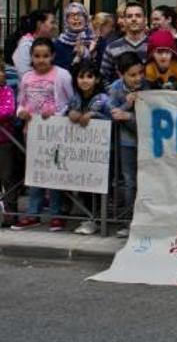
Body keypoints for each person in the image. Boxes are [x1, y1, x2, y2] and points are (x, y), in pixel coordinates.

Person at [11, 38, 74, 231]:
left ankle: (56, 213)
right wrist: (20, 111)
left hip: (54, 131)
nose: (41, 60)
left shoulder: (62, 75)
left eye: (45, 56)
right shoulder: (27, 77)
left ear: (53, 56)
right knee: (34, 173)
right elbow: (21, 100)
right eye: (37, 56)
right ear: (31, 57)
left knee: (54, 172)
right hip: (31, 131)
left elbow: (70, 101)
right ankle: (33, 213)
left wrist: (55, 114)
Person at [66, 61, 110, 235]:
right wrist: (70, 113)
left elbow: (111, 118)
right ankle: (88, 217)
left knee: (98, 187)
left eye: (89, 77)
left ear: (97, 79)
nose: (85, 80)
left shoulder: (103, 99)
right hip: (80, 150)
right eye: (81, 76)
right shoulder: (74, 98)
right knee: (84, 185)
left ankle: (98, 219)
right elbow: (67, 112)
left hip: (102, 151)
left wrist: (94, 115)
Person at [106, 52, 147, 237]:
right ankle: (129, 221)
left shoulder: (148, 87)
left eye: (140, 73)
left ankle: (147, 221)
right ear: (121, 74)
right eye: (132, 75)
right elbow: (112, 113)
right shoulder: (115, 88)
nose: (138, 78)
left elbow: (150, 119)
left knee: (147, 182)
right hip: (126, 143)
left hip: (147, 142)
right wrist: (126, 107)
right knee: (129, 181)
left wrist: (129, 116)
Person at [100, 2, 149, 88]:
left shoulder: (154, 46)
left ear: (145, 20)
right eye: (129, 16)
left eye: (138, 16)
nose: (134, 19)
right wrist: (117, 95)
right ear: (125, 21)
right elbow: (104, 78)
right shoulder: (112, 47)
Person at [12, 10, 57, 79]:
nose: (55, 27)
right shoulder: (25, 46)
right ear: (39, 24)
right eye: (52, 23)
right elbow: (25, 75)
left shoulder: (52, 42)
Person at [54, 2, 96, 71]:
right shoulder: (58, 45)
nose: (76, 18)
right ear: (66, 21)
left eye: (79, 15)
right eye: (72, 15)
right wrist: (77, 57)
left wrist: (89, 53)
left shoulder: (96, 41)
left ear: (86, 19)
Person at [0, 62, 15, 208]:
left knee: (7, 177)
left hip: (4, 141)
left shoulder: (7, 90)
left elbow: (8, 110)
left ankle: (10, 212)